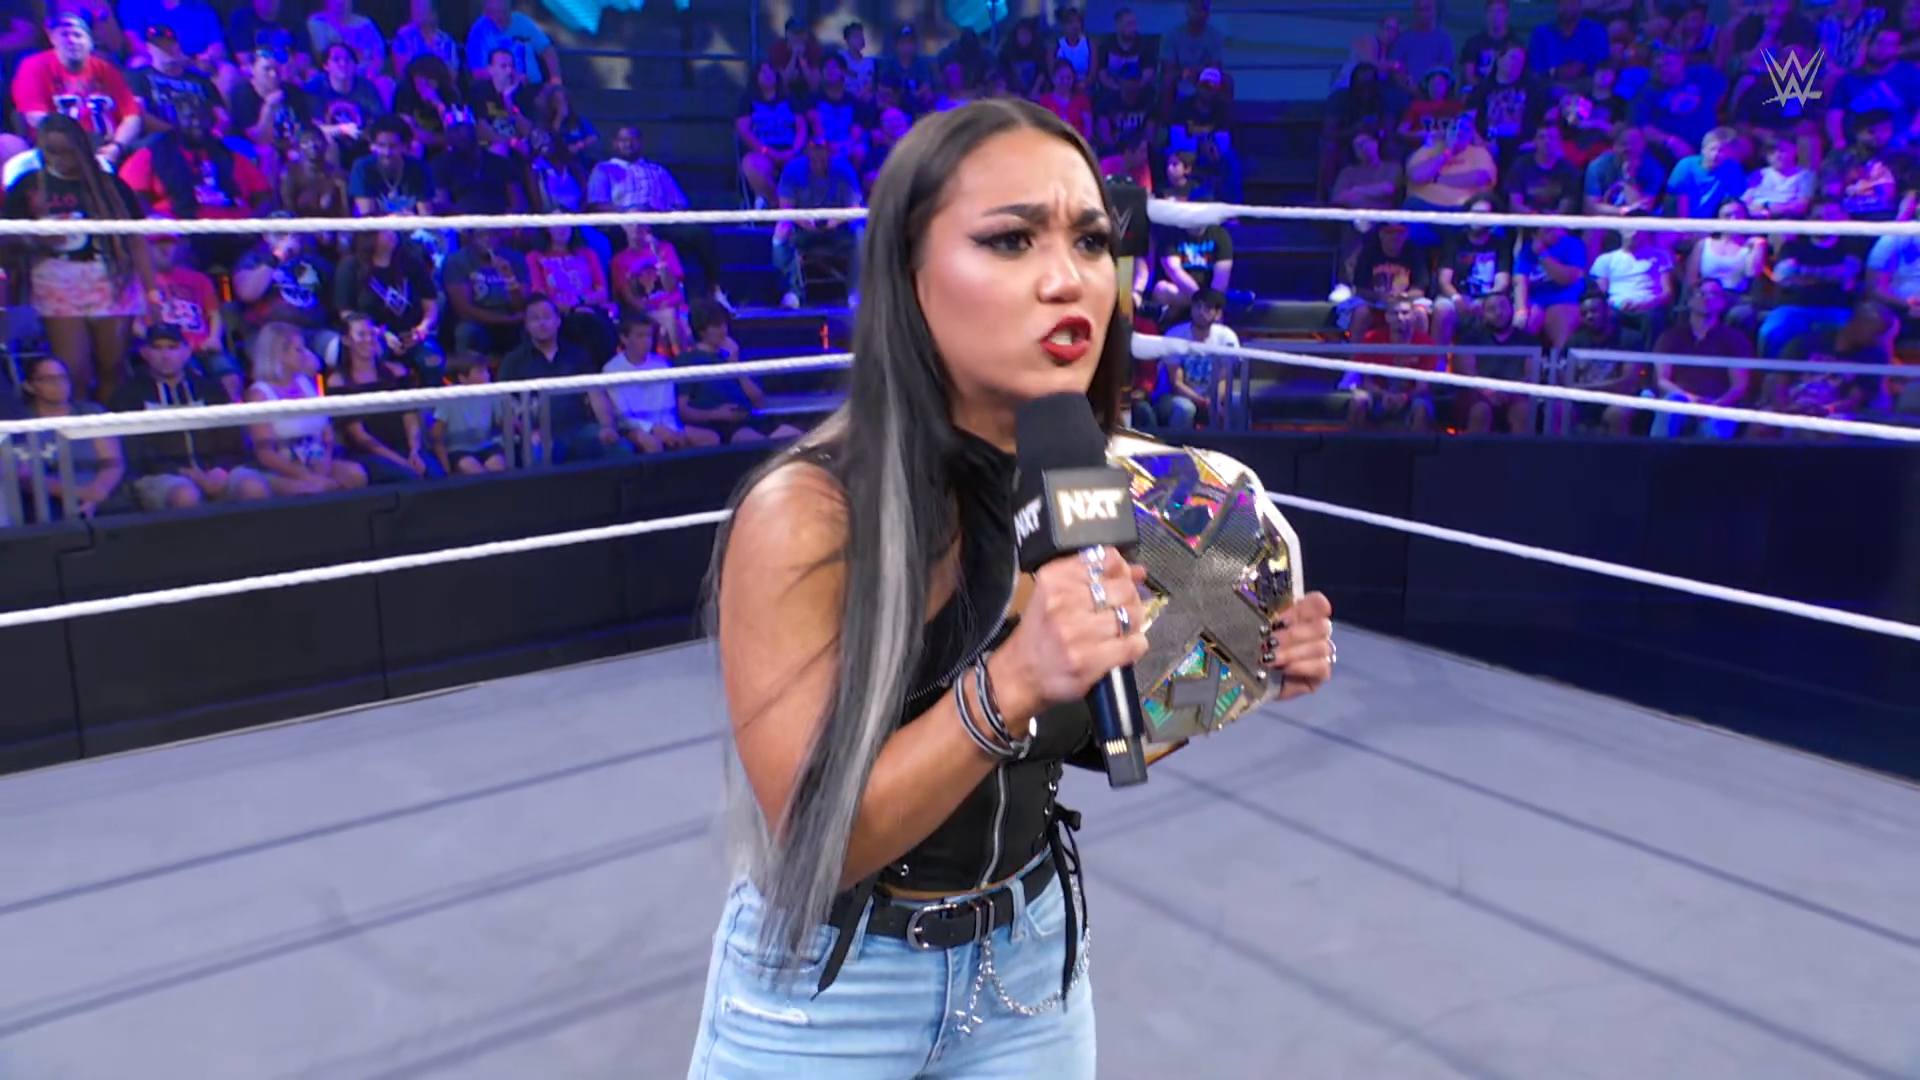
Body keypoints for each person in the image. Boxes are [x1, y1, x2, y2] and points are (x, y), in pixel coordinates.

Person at [685, 98, 1335, 1079]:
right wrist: (1011, 682)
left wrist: (1242, 665)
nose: (1067, 278)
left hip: (1027, 966)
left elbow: (1092, 737)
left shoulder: (1085, 477)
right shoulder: (806, 514)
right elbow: (818, 840)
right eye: (1012, 239)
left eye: (1089, 241)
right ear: (910, 274)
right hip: (831, 985)